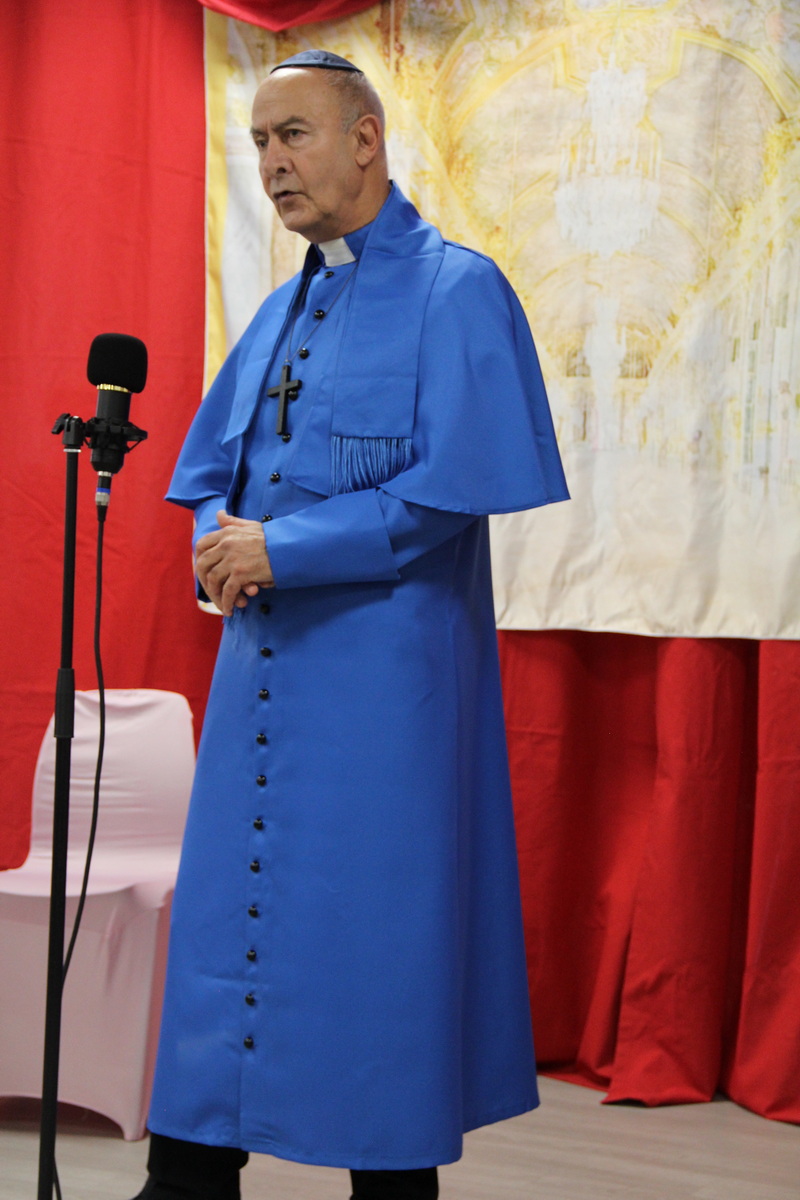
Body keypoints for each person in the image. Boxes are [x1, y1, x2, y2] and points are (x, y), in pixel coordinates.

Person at [137, 49, 568, 1200]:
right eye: (258, 144)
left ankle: (387, 1185)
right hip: (257, 686)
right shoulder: (283, 307)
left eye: (294, 135)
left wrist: (282, 549)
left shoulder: (455, 289)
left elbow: (450, 491)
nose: (272, 163)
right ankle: (186, 1177)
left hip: (385, 697)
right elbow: (213, 477)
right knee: (227, 934)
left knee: (376, 949)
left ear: (365, 139)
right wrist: (218, 544)